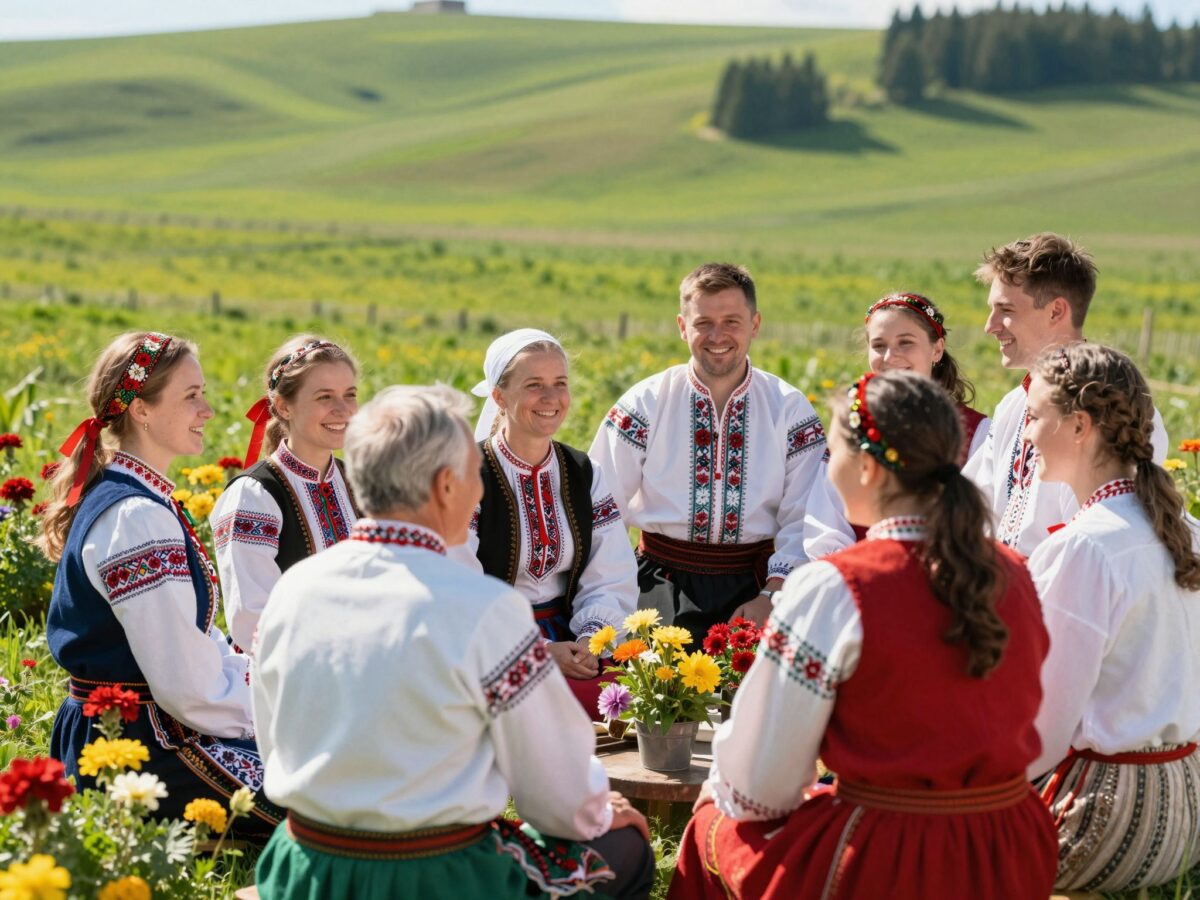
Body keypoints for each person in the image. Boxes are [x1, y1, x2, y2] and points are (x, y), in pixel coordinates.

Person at [251, 384, 655, 900]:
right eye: (474, 476)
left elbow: (273, 741)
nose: (481, 492)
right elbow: (557, 795)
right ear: (446, 486)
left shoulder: (293, 591)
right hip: (435, 878)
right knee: (625, 849)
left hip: (305, 872)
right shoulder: (482, 609)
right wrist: (601, 810)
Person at [670, 370, 1056, 900]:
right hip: (1010, 850)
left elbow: (763, 782)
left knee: (711, 825)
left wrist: (721, 792)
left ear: (870, 469)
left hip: (892, 859)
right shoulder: (1016, 573)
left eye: (834, 452)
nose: (828, 468)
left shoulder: (838, 587)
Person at [38, 332, 282, 839]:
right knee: (336, 805)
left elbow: (189, 641)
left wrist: (264, 681)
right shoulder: (136, 517)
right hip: (136, 748)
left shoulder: (136, 497)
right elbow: (187, 687)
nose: (208, 410)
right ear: (142, 411)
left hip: (142, 726)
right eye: (191, 395)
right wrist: (273, 703)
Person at [1023, 343, 1200, 892]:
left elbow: (1044, 729)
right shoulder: (1188, 530)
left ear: (1079, 426)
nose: (1027, 436)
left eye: (1034, 418)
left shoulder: (1085, 548)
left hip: (1101, 816)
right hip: (1187, 812)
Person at [589, 263, 828, 634]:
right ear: (683, 327)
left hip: (758, 587)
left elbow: (808, 519)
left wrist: (773, 596)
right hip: (658, 584)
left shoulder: (790, 409)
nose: (718, 335)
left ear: (755, 324)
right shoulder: (644, 404)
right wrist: (613, 597)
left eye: (732, 321)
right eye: (703, 323)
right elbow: (600, 510)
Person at [448, 329, 638, 716]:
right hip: (493, 645)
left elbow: (610, 573)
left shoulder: (583, 472)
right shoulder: (469, 474)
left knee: (639, 695)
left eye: (560, 384)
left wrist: (592, 640)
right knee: (542, 707)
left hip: (573, 637)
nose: (551, 399)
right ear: (499, 396)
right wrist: (537, 651)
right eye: (534, 385)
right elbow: (458, 585)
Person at [964, 233, 1167, 556]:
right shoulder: (1012, 407)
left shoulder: (1119, 408)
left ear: (1057, 311)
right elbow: (970, 505)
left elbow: (1111, 537)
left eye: (1006, 309)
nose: (990, 326)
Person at [804, 291, 990, 555]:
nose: (890, 357)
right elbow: (825, 531)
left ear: (937, 349)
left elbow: (986, 524)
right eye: (879, 345)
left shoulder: (979, 432)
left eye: (905, 343)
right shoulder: (852, 424)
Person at [211, 335, 360, 653]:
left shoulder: (359, 484)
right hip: (287, 681)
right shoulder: (254, 496)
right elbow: (252, 620)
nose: (343, 409)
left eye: (350, 395)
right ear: (283, 406)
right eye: (324, 397)